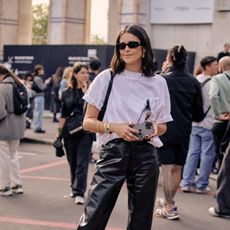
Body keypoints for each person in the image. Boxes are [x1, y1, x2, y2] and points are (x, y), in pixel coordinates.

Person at [76, 24, 172, 230]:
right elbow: (87, 122)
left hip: (146, 154)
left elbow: (163, 125)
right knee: (93, 216)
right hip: (113, 152)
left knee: (141, 221)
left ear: (144, 48)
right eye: (121, 45)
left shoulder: (159, 83)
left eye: (132, 44)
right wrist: (114, 127)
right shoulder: (106, 78)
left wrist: (152, 128)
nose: (126, 49)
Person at [155, 45, 204, 220]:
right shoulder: (193, 82)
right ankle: (169, 203)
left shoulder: (161, 80)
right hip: (184, 130)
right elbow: (198, 114)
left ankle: (169, 206)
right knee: (177, 169)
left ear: (169, 59)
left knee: (167, 169)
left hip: (164, 129)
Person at [180, 56, 218, 193]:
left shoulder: (195, 80)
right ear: (207, 66)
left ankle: (186, 182)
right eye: (214, 65)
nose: (216, 67)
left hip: (194, 122)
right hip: (208, 122)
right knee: (207, 154)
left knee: (192, 153)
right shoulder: (214, 82)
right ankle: (201, 184)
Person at [58, 63, 94, 205]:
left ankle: (80, 192)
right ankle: (74, 188)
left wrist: (86, 94)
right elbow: (63, 115)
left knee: (82, 163)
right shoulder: (67, 92)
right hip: (70, 132)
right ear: (75, 74)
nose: (86, 75)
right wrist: (58, 135)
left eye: (87, 73)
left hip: (85, 132)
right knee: (72, 162)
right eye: (83, 72)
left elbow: (95, 110)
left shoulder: (91, 92)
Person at [0, 64, 25, 196]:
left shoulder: (2, 88)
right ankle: (17, 184)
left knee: (3, 159)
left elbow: (0, 112)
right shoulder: (19, 84)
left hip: (4, 128)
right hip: (18, 127)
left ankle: (4, 187)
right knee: (14, 156)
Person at [209, 56, 230, 173]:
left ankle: (222, 186)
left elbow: (213, 96)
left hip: (221, 122)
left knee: (221, 154)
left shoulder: (217, 78)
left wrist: (218, 114)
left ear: (221, 66)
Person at [32, 64, 51, 133]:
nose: (43, 71)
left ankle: (37, 127)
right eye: (42, 70)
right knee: (39, 113)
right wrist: (46, 83)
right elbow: (42, 88)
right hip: (39, 97)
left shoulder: (35, 78)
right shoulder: (38, 78)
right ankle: (38, 127)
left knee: (38, 112)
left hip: (37, 97)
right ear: (38, 71)